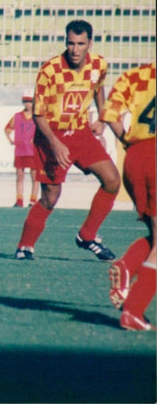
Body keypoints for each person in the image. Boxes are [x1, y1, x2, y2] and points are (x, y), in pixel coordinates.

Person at [14, 19, 120, 261]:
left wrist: (102, 118)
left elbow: (99, 88)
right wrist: (55, 143)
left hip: (80, 133)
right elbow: (38, 114)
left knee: (112, 180)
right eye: (70, 43)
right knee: (51, 197)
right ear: (66, 42)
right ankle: (25, 246)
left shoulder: (99, 64)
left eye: (80, 44)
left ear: (89, 43)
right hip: (50, 135)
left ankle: (87, 235)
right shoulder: (50, 70)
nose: (75, 49)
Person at [100, 62, 155, 331]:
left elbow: (109, 114)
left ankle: (127, 266)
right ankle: (133, 311)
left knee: (155, 235)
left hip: (135, 157)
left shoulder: (137, 74)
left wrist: (126, 142)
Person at [4, 89, 39, 208]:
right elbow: (7, 129)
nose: (27, 104)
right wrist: (10, 140)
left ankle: (33, 199)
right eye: (25, 101)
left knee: (35, 176)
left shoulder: (37, 116)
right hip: (20, 150)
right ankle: (19, 199)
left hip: (33, 150)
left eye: (29, 101)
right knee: (20, 176)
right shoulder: (17, 116)